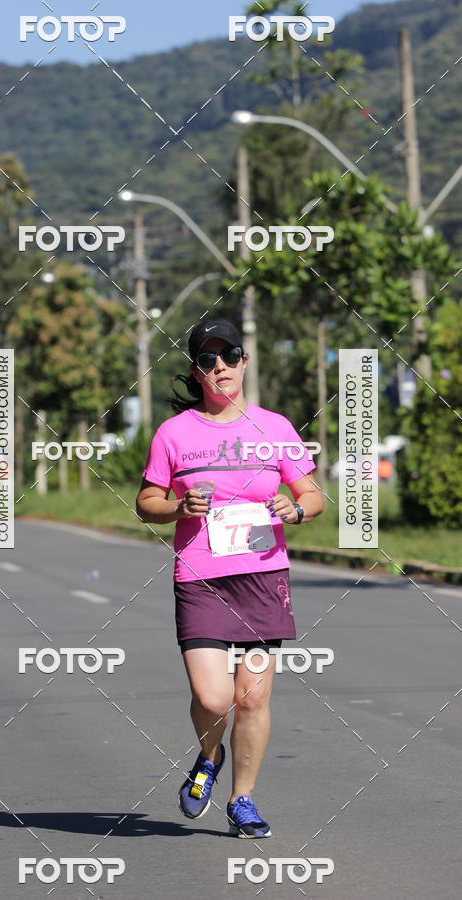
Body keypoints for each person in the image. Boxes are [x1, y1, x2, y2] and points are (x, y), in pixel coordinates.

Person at [136, 319, 324, 838]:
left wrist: (296, 509)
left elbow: (313, 496)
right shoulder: (174, 434)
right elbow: (146, 502)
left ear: (244, 361)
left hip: (263, 577)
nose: (221, 365)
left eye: (230, 354)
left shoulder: (277, 427)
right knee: (216, 698)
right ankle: (208, 758)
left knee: (254, 698)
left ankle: (243, 800)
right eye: (208, 359)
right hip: (201, 576)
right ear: (197, 372)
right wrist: (177, 507)